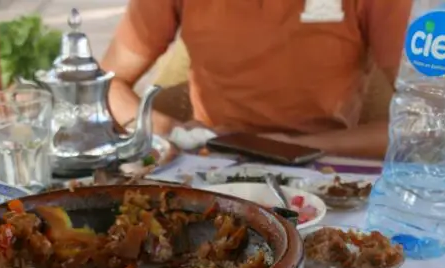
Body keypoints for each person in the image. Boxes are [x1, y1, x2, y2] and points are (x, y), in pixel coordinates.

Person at [100, 0, 412, 158]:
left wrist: (298, 147)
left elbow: (430, 122)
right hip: (207, 159)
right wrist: (173, 130)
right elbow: (104, 87)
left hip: (322, 167)